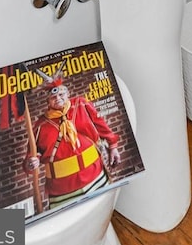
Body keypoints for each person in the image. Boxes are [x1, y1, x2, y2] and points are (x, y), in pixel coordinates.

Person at [24, 79, 121, 207]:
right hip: (62, 190)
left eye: (61, 94)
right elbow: (31, 157)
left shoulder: (81, 105)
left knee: (103, 208)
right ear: (48, 101)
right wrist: (32, 163)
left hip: (95, 177)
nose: (57, 98)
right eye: (53, 97)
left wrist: (113, 146)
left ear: (67, 94)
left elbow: (101, 125)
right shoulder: (40, 126)